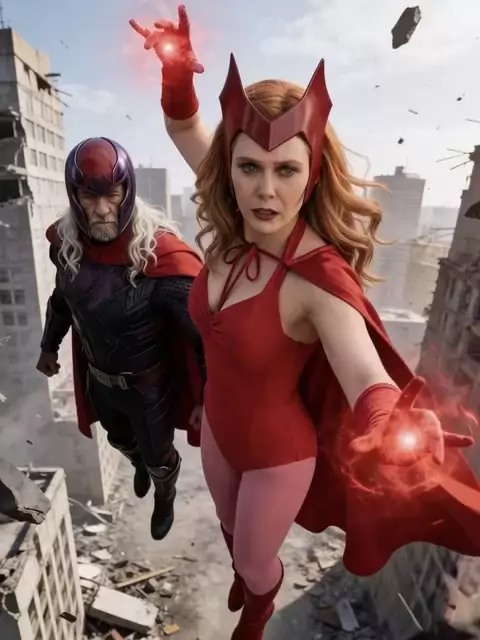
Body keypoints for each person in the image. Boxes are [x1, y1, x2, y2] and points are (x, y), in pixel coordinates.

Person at [131, 7, 480, 639]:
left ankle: (259, 604)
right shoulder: (235, 218)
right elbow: (183, 123)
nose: (266, 189)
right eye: (249, 167)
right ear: (230, 169)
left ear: (311, 173)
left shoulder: (317, 279)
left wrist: (390, 423)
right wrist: (175, 71)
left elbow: (365, 374)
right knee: (231, 529)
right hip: (218, 432)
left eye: (286, 170)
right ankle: (247, 574)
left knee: (254, 559)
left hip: (277, 455)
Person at [36, 136, 205, 541]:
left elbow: (202, 336)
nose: (101, 209)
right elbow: (62, 301)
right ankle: (139, 465)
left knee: (159, 458)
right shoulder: (66, 245)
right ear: (74, 196)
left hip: (150, 387)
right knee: (119, 440)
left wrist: (207, 397)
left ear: (126, 192)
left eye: (111, 195)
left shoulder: (160, 255)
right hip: (100, 380)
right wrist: (48, 346)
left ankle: (165, 495)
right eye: (88, 196)